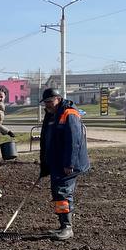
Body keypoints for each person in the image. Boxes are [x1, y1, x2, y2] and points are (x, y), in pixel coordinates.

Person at [38, 88, 89, 241]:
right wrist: (45, 164)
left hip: (69, 164)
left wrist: (69, 163)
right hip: (57, 162)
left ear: (58, 99)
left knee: (63, 192)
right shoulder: (50, 115)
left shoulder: (69, 113)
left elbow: (74, 141)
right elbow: (45, 141)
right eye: (45, 102)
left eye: (50, 102)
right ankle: (63, 225)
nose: (47, 105)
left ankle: (67, 227)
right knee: (57, 192)